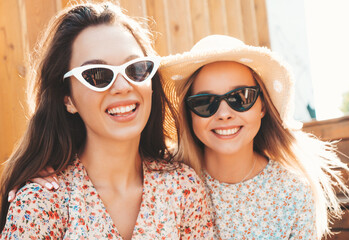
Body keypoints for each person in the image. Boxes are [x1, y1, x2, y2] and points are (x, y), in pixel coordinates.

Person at [0, 2, 214, 239]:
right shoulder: (41, 204)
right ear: (68, 98)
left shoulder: (183, 188)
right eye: (98, 75)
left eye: (136, 69)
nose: (123, 87)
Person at [159, 35, 349, 239]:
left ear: (262, 106)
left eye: (241, 97)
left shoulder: (294, 193)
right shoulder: (168, 186)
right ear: (189, 114)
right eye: (205, 102)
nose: (224, 113)